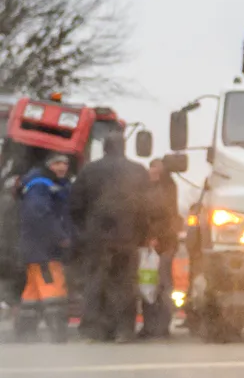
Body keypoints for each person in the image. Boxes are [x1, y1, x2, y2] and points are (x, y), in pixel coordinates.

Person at [70, 133, 154, 343]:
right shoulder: (137, 170)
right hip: (127, 237)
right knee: (125, 284)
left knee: (95, 282)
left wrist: (85, 230)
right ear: (123, 147)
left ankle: (94, 330)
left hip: (97, 237)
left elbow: (75, 205)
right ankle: (123, 330)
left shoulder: (89, 170)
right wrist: (142, 234)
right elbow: (146, 207)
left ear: (105, 147)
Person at [14, 154, 74, 342]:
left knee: (32, 291)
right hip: (44, 250)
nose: (62, 167)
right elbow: (40, 214)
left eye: (65, 163)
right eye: (57, 163)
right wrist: (60, 236)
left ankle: (25, 332)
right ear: (49, 165)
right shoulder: (41, 184)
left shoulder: (48, 183)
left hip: (35, 248)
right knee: (53, 288)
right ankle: (58, 333)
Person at [138, 158, 183, 339]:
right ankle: (152, 325)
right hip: (153, 244)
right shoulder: (159, 188)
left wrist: (153, 237)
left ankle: (160, 326)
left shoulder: (165, 189)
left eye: (157, 168)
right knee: (149, 283)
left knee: (160, 284)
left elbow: (162, 214)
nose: (153, 171)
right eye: (152, 168)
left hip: (162, 244)